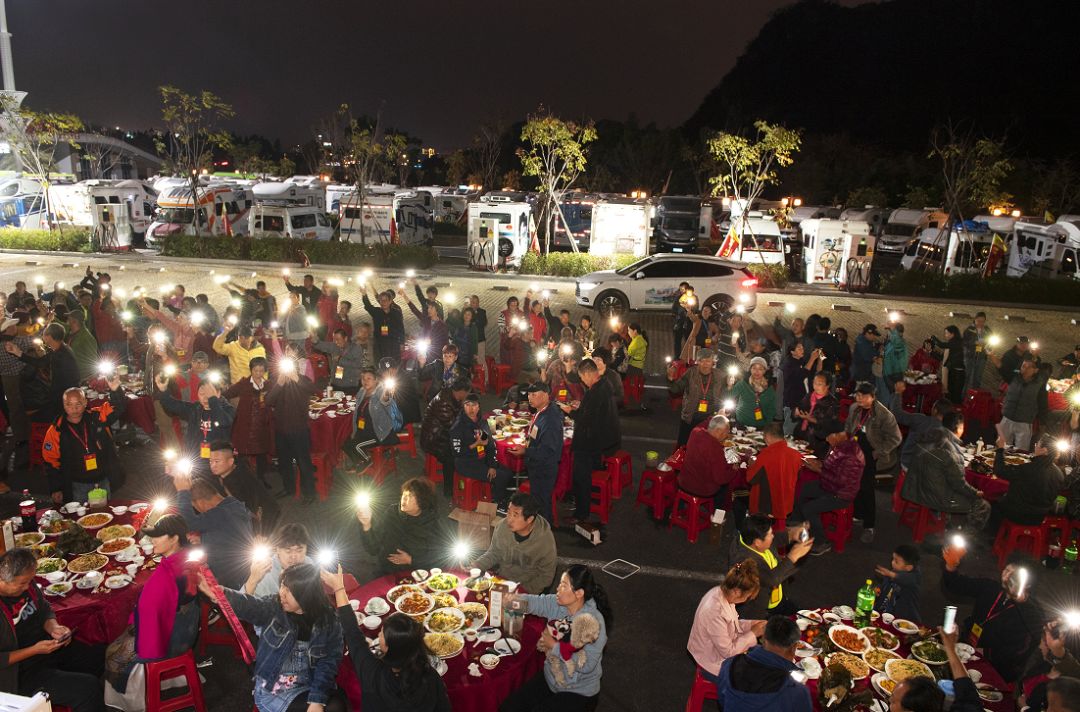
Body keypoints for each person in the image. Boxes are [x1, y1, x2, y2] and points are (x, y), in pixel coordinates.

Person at [196, 563, 345, 712]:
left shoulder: (329, 621)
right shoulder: (274, 607)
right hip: (274, 688)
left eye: (290, 590)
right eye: (282, 586)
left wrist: (316, 700)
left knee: (337, 705)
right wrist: (220, 594)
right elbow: (249, 605)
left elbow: (328, 662)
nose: (282, 594)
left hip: (309, 683)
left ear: (307, 594)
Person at [103, 515, 200, 710]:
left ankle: (130, 702)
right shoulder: (186, 558)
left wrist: (139, 638)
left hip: (173, 639)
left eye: (158, 536)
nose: (152, 541)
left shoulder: (169, 573)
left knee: (113, 653)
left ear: (174, 539)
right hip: (187, 630)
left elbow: (151, 617)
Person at [324, 568, 450, 712]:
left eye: (382, 633)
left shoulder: (373, 674)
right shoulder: (430, 676)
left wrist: (339, 589)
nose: (379, 634)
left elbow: (353, 634)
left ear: (388, 648)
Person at [0, 548, 105, 712]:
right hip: (19, 674)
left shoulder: (26, 584)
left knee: (99, 654)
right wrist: (34, 650)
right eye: (22, 583)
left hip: (46, 649)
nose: (27, 586)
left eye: (30, 581)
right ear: (2, 579)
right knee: (87, 688)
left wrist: (53, 627)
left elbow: (43, 609)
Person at [500, 566, 611, 712]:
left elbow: (587, 665)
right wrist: (513, 601)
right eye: (560, 583)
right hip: (552, 677)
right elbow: (536, 603)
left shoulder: (592, 623)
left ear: (579, 593)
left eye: (564, 586)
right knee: (508, 707)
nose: (558, 589)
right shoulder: (558, 604)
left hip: (578, 690)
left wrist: (554, 647)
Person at [942, 549, 1045, 683]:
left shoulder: (1031, 613)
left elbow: (1018, 652)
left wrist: (983, 652)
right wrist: (951, 566)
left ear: (1028, 583)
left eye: (1013, 575)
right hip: (968, 648)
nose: (1006, 576)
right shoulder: (991, 587)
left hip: (997, 668)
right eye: (1006, 570)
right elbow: (958, 585)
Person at [41, 380, 126, 503]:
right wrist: (56, 488)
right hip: (77, 484)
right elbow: (50, 461)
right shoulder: (56, 429)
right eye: (68, 404)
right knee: (80, 518)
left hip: (102, 479)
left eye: (78, 404)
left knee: (105, 514)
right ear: (63, 404)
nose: (74, 409)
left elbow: (118, 408)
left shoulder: (97, 417)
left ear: (86, 402)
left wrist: (115, 390)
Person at [901, 412, 990, 530]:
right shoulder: (952, 450)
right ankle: (964, 538)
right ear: (959, 428)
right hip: (932, 496)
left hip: (913, 486)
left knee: (943, 480)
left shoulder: (929, 435)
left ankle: (944, 522)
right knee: (983, 505)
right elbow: (959, 484)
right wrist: (975, 493)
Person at [790, 420, 864, 556]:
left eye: (828, 436)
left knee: (809, 508)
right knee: (802, 489)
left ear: (839, 435)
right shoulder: (839, 445)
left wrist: (818, 470)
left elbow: (840, 481)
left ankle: (822, 542)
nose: (826, 439)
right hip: (829, 485)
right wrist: (820, 464)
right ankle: (797, 527)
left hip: (841, 494)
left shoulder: (851, 455)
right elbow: (833, 467)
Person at [686, 560, 766, 684]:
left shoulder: (722, 593)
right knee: (757, 680)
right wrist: (753, 633)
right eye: (747, 596)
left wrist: (752, 625)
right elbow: (728, 652)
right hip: (712, 664)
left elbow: (732, 625)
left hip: (719, 651)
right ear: (737, 592)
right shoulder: (715, 611)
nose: (747, 600)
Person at [562, 359, 620, 525]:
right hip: (602, 439)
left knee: (581, 478)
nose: (581, 381)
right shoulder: (604, 385)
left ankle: (581, 513)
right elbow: (594, 410)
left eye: (581, 377)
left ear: (588, 374)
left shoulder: (596, 392)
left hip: (590, 441)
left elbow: (586, 420)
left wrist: (570, 411)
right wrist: (582, 405)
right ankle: (582, 507)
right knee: (583, 476)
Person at [716, 615, 813, 712]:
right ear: (794, 648)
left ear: (763, 639)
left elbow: (722, 701)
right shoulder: (797, 693)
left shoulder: (729, 664)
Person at [356, 478, 449, 575]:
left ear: (422, 501)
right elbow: (373, 549)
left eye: (410, 496)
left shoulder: (431, 522)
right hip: (387, 572)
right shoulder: (392, 513)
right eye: (404, 494)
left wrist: (411, 560)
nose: (404, 499)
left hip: (418, 574)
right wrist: (367, 525)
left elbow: (440, 558)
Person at [175, 474, 253, 589]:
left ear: (200, 502)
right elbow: (230, 535)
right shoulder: (232, 504)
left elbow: (189, 523)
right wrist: (203, 539)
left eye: (194, 506)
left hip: (233, 579)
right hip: (244, 566)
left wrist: (182, 492)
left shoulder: (219, 514)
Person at [846, 381, 901, 543]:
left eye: (864, 396)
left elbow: (896, 438)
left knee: (867, 488)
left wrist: (879, 451)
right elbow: (849, 427)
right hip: (855, 450)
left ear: (873, 397)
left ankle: (869, 526)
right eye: (858, 395)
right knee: (854, 482)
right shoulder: (854, 408)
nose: (860, 398)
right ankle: (857, 513)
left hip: (871, 454)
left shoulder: (883, 414)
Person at [729, 515, 812, 619]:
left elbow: (773, 540)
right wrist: (793, 556)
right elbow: (771, 579)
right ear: (757, 542)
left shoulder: (748, 538)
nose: (773, 536)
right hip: (760, 610)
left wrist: (791, 534)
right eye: (770, 534)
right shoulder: (745, 562)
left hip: (777, 599)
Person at [472, 493, 557, 594]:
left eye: (515, 515)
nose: (509, 519)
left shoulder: (545, 541)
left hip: (527, 590)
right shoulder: (502, 527)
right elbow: (494, 553)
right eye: (508, 512)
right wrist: (477, 565)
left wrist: (521, 592)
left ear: (529, 519)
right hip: (502, 582)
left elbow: (546, 576)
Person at [509, 383, 566, 525]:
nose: (530, 398)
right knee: (539, 500)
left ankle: (544, 533)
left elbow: (547, 450)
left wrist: (525, 451)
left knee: (542, 503)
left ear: (546, 395)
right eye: (529, 394)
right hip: (537, 463)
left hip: (544, 466)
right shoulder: (543, 410)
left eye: (534, 394)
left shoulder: (550, 419)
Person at [154, 373, 235, 472]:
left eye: (209, 395)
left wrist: (213, 400)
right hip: (196, 459)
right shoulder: (195, 409)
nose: (205, 398)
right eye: (201, 394)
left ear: (218, 394)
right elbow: (173, 405)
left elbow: (222, 421)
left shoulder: (228, 409)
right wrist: (163, 390)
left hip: (217, 461)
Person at [988, 430, 1064, 531]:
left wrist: (1000, 449)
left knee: (991, 503)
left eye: (1038, 444)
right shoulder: (1059, 473)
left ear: (1044, 450)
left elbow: (1000, 471)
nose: (1035, 446)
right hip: (1040, 517)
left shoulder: (1029, 469)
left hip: (1018, 514)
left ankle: (993, 538)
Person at [266, 360, 320, 502]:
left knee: (303, 462)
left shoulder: (302, 380)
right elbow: (268, 401)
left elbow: (314, 390)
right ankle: (288, 488)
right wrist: (279, 384)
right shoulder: (277, 381)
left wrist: (296, 378)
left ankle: (309, 493)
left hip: (299, 429)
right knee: (284, 462)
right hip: (281, 430)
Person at [450, 393, 514, 507]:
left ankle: (494, 496)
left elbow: (489, 445)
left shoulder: (482, 422)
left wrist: (492, 465)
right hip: (466, 463)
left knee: (508, 472)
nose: (471, 408)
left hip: (481, 458)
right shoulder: (458, 426)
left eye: (474, 405)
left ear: (479, 407)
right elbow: (456, 452)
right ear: (463, 407)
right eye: (467, 405)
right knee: (501, 476)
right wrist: (475, 444)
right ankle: (498, 503)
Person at [7, 322, 81, 421]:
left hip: (65, 395)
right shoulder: (62, 348)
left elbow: (39, 363)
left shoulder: (59, 354)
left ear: (48, 337)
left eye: (44, 334)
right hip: (66, 391)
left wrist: (18, 353)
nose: (43, 337)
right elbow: (42, 362)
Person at [207, 440, 280, 536]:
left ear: (230, 461)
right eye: (210, 461)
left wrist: (262, 535)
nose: (212, 465)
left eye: (217, 461)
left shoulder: (242, 479)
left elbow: (268, 507)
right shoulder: (219, 476)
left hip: (255, 529)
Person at [223, 356, 274, 487]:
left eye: (261, 371)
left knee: (262, 454)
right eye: (255, 370)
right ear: (251, 370)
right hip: (245, 425)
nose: (258, 374)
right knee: (242, 454)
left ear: (265, 371)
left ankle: (261, 479)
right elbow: (228, 394)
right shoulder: (244, 383)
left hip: (262, 426)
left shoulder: (268, 385)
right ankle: (244, 481)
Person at [343, 368, 402, 477]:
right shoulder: (362, 392)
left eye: (369, 378)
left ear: (376, 380)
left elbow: (386, 401)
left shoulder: (380, 393)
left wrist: (387, 396)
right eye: (363, 378)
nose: (365, 381)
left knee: (356, 446)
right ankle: (359, 462)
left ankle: (367, 461)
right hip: (363, 431)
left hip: (378, 433)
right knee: (345, 443)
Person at [677, 414, 740, 509]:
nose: (726, 436)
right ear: (718, 431)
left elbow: (706, 423)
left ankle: (680, 507)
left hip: (683, 481)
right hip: (701, 489)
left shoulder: (695, 432)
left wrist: (718, 415)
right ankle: (716, 518)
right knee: (724, 488)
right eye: (725, 433)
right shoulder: (715, 448)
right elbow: (720, 479)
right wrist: (733, 470)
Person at [419, 378, 468, 497]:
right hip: (433, 439)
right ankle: (448, 489)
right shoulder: (444, 402)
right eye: (467, 393)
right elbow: (453, 427)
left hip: (441, 434)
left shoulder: (452, 396)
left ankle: (461, 478)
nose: (467, 396)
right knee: (451, 455)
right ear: (461, 391)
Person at [746, 422, 804, 521]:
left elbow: (751, 479)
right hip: (786, 503)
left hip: (767, 505)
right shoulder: (797, 455)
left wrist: (751, 465)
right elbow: (798, 476)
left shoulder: (765, 456)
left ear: (767, 437)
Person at [890, 383, 954, 471]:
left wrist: (898, 393)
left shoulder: (920, 420)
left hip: (908, 465)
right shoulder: (949, 432)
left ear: (934, 410)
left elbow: (897, 414)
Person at [668, 349, 724, 446]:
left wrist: (731, 385)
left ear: (713, 363)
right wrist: (670, 378)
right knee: (684, 447)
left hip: (710, 420)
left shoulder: (719, 375)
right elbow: (675, 390)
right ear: (697, 362)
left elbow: (727, 394)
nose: (705, 364)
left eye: (708, 361)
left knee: (705, 448)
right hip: (690, 418)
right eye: (701, 361)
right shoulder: (691, 373)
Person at [244, 523, 315, 597]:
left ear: (306, 549)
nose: (294, 556)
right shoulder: (266, 571)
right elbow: (242, 604)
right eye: (288, 551)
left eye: (299, 550)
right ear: (277, 550)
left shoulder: (310, 565)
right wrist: (252, 581)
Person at [998, 355, 1047, 449]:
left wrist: (1042, 424)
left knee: (1021, 451)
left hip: (1024, 422)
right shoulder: (1014, 377)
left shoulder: (1039, 384)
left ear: (1036, 370)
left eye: (1029, 367)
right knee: (1001, 447)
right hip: (1007, 418)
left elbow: (1043, 405)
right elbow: (1001, 368)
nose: (1025, 369)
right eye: (1023, 366)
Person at [793, 371, 839, 459]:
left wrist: (812, 420)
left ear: (827, 385)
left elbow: (829, 425)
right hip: (801, 436)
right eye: (814, 383)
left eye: (820, 384)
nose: (815, 386)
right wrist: (795, 412)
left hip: (817, 441)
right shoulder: (808, 396)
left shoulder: (832, 402)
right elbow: (799, 409)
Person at [874, 544, 922, 623]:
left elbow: (905, 579)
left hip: (904, 620)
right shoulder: (892, 572)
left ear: (908, 567)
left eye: (896, 561)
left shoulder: (914, 577)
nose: (892, 563)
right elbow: (885, 589)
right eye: (892, 559)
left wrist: (891, 574)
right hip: (885, 615)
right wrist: (878, 591)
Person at [314, 328, 365, 395]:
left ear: (345, 338)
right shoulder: (334, 346)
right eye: (334, 339)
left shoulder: (355, 348)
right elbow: (321, 345)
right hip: (336, 383)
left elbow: (358, 364)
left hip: (350, 385)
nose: (335, 342)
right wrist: (314, 339)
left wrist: (340, 360)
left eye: (338, 339)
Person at [935, 326, 966, 404]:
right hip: (953, 371)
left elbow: (941, 345)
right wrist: (931, 352)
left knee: (955, 394)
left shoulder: (956, 342)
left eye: (946, 333)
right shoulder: (952, 344)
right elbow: (943, 358)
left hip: (957, 373)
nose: (945, 335)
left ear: (952, 334)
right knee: (950, 392)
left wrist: (933, 338)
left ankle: (954, 410)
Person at [962, 312, 992, 391]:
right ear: (974, 320)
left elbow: (992, 342)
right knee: (966, 377)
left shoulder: (988, 330)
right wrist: (974, 343)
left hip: (981, 357)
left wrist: (987, 345)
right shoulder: (969, 329)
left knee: (977, 378)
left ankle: (974, 398)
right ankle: (961, 398)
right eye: (978, 321)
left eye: (982, 321)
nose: (980, 323)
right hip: (969, 356)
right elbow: (963, 342)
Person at [65, 310, 99, 380]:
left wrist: (91, 379)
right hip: (71, 373)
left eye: (69, 319)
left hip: (82, 376)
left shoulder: (87, 337)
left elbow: (92, 359)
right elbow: (62, 325)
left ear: (75, 321)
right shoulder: (72, 332)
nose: (67, 320)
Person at [882, 322, 908, 389]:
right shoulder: (892, 342)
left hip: (894, 376)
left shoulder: (900, 343)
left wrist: (891, 330)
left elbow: (896, 341)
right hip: (889, 374)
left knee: (891, 397)